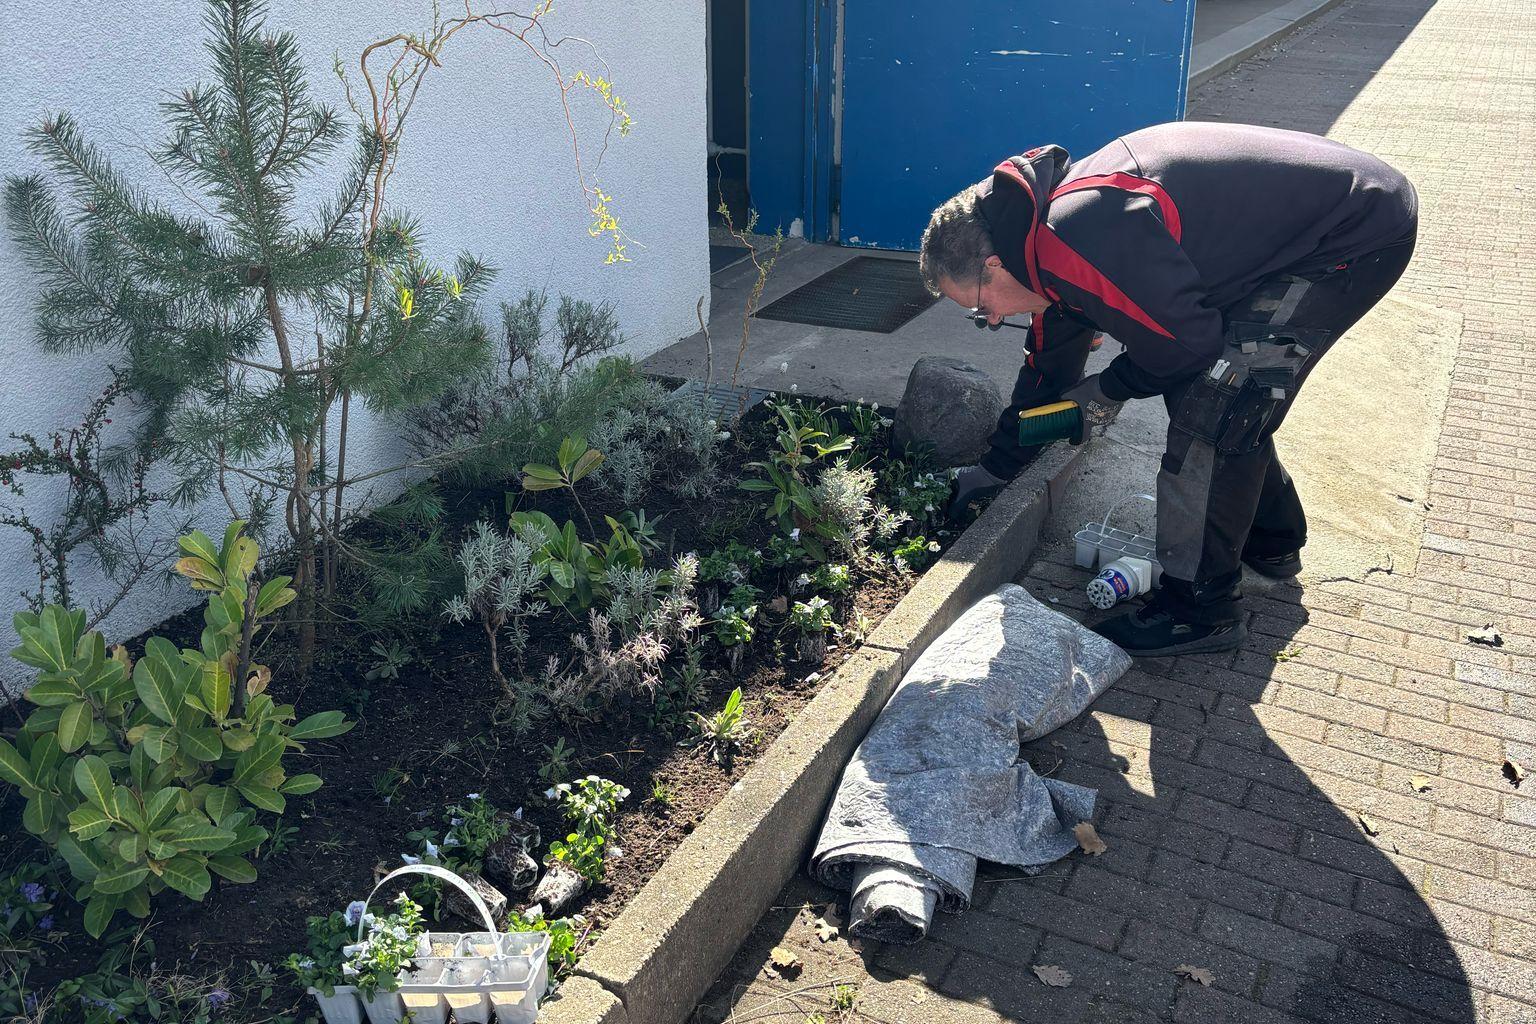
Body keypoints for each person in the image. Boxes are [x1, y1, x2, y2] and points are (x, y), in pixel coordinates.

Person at [920, 121, 1418, 657]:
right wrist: (998, 465)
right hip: (1293, 236)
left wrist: (1109, 389)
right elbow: (1051, 373)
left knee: (1217, 407)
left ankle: (1201, 612)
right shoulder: (1036, 249)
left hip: (1352, 236)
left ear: (993, 265)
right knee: (1220, 395)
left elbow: (1185, 346)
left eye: (978, 306)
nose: (990, 320)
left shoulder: (1075, 237)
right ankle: (1271, 542)